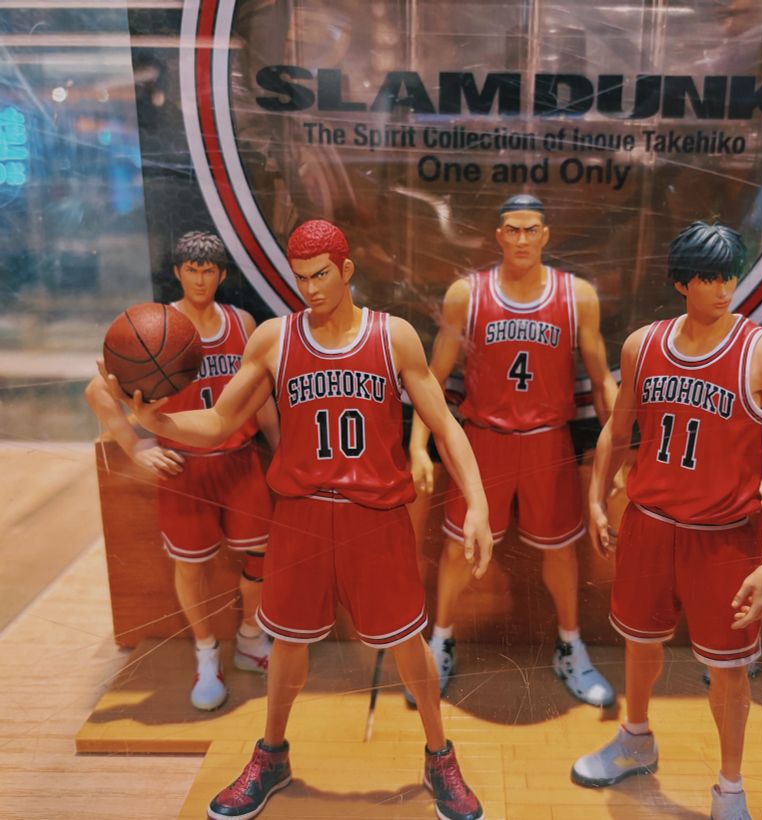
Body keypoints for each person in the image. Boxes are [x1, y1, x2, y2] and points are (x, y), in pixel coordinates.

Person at [109, 220, 491, 820]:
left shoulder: (393, 336)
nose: (310, 288)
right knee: (287, 641)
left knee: (406, 643)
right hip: (301, 514)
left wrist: (478, 503)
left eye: (320, 275)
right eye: (300, 277)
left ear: (346, 270)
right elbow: (220, 420)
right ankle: (271, 755)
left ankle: (439, 755)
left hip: (374, 516)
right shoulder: (273, 338)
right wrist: (156, 422)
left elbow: (444, 424)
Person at [571, 222, 762, 820]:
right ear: (682, 282)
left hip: (724, 536)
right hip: (649, 523)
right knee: (639, 639)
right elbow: (618, 428)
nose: (725, 288)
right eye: (710, 277)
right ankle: (635, 737)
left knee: (727, 670)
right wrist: (597, 498)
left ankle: (730, 788)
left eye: (731, 275)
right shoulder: (643, 344)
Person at [407, 194, 619, 707]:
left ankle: (569, 646)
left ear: (546, 235)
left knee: (560, 550)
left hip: (549, 440)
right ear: (498, 235)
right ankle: (441, 641)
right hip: (485, 440)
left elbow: (600, 379)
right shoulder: (467, 294)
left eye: (531, 229)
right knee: (459, 547)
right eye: (512, 229)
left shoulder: (576, 296)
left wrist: (623, 449)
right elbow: (433, 378)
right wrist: (416, 444)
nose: (522, 239)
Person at [86, 230, 278, 711]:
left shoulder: (242, 323)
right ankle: (206, 655)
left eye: (208, 270)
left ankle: (251, 639)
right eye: (191, 270)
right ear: (177, 272)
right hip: (183, 468)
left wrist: (279, 452)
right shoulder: (155, 327)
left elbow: (261, 396)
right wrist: (135, 447)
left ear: (222, 275)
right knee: (190, 567)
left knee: (262, 556)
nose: (200, 279)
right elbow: (97, 389)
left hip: (238, 461)